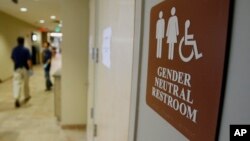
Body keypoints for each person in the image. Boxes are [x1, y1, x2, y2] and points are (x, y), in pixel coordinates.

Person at [11, 36, 32, 108]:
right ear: (23, 42)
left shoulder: (14, 49)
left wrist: (16, 63)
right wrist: (30, 69)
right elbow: (28, 61)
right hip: (25, 68)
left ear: (17, 42)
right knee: (26, 83)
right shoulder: (26, 50)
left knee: (17, 83)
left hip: (16, 68)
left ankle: (17, 98)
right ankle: (26, 96)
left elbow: (12, 58)